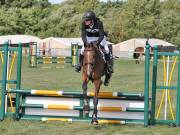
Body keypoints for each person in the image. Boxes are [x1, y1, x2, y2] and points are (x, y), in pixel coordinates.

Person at [75, 10, 112, 75]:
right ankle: (79, 65)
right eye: (85, 20)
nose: (86, 21)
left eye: (88, 20)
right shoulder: (84, 24)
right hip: (89, 38)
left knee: (107, 49)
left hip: (100, 38)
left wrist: (97, 43)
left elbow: (101, 35)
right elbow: (83, 35)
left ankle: (108, 65)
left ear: (92, 20)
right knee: (82, 50)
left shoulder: (99, 23)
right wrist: (85, 43)